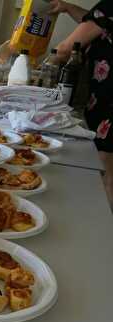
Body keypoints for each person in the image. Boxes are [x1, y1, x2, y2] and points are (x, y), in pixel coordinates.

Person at [49, 0, 113, 206]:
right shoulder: (106, 11)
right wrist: (68, 7)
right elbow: (99, 23)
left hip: (109, 105)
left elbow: (64, 50)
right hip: (105, 101)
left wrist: (41, 66)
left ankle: (103, 230)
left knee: (107, 172)